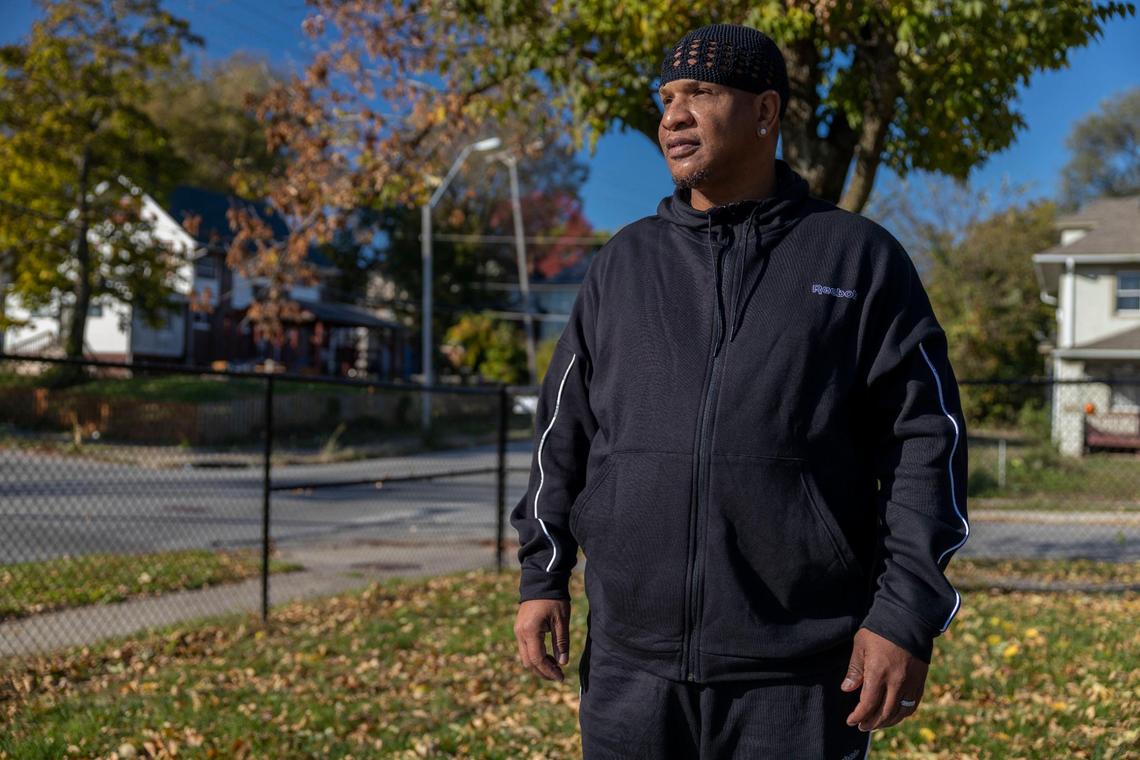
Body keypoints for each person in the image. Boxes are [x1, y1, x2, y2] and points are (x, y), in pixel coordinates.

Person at [510, 22, 969, 760]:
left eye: (701, 93)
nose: (673, 116)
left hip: (799, 677)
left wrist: (904, 614)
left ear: (765, 112)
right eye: (666, 98)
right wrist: (544, 574)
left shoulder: (857, 259)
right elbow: (563, 435)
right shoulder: (621, 265)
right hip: (632, 670)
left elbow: (928, 443)